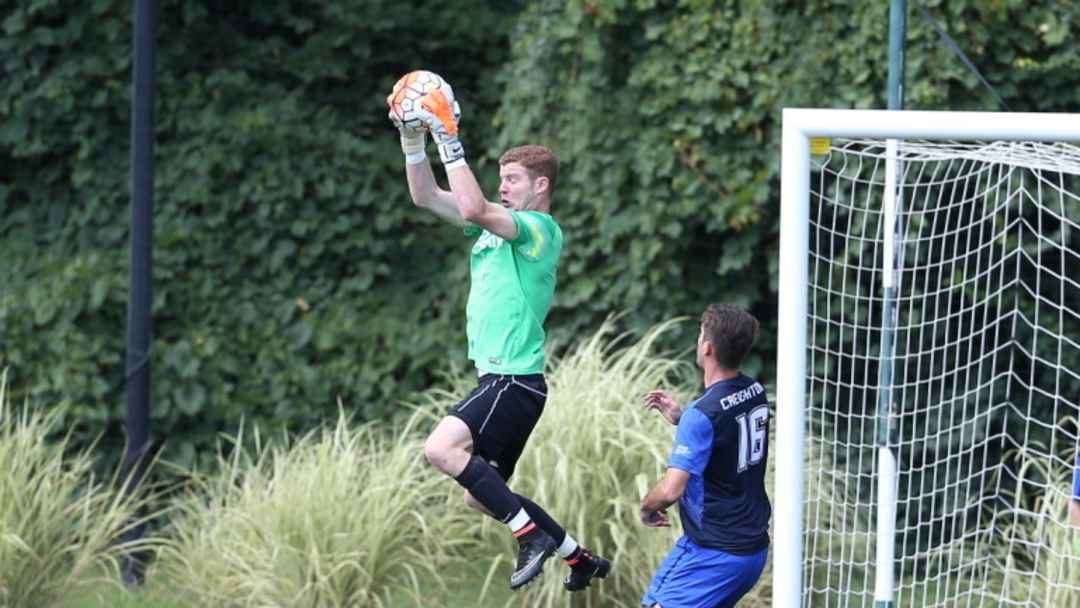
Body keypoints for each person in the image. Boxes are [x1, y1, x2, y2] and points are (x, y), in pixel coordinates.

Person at [386, 76, 609, 591]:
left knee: (440, 449)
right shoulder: (493, 225)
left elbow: (472, 207)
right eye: (501, 178)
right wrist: (412, 139)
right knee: (479, 494)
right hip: (506, 383)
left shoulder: (539, 229)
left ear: (541, 186)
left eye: (512, 179)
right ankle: (578, 557)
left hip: (512, 381)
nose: (503, 186)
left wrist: (448, 137)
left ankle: (530, 537)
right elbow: (425, 195)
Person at [639, 304, 771, 608]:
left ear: (708, 348)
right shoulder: (755, 391)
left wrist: (646, 507)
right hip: (751, 552)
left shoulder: (702, 416)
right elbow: (727, 435)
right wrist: (681, 418)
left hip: (715, 555)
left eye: (700, 336)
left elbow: (671, 491)